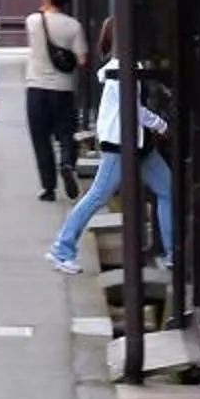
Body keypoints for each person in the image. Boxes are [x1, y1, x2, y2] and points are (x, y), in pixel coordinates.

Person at [49, 16, 176, 276]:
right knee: (98, 195)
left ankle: (172, 253)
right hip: (122, 143)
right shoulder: (122, 69)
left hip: (135, 142)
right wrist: (161, 125)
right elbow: (134, 109)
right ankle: (62, 249)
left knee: (166, 188)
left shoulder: (122, 67)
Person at [25, 0, 86, 200]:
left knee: (41, 138)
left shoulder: (33, 21)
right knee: (66, 133)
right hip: (64, 89)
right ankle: (67, 163)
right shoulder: (74, 26)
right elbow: (82, 60)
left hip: (37, 87)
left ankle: (49, 188)